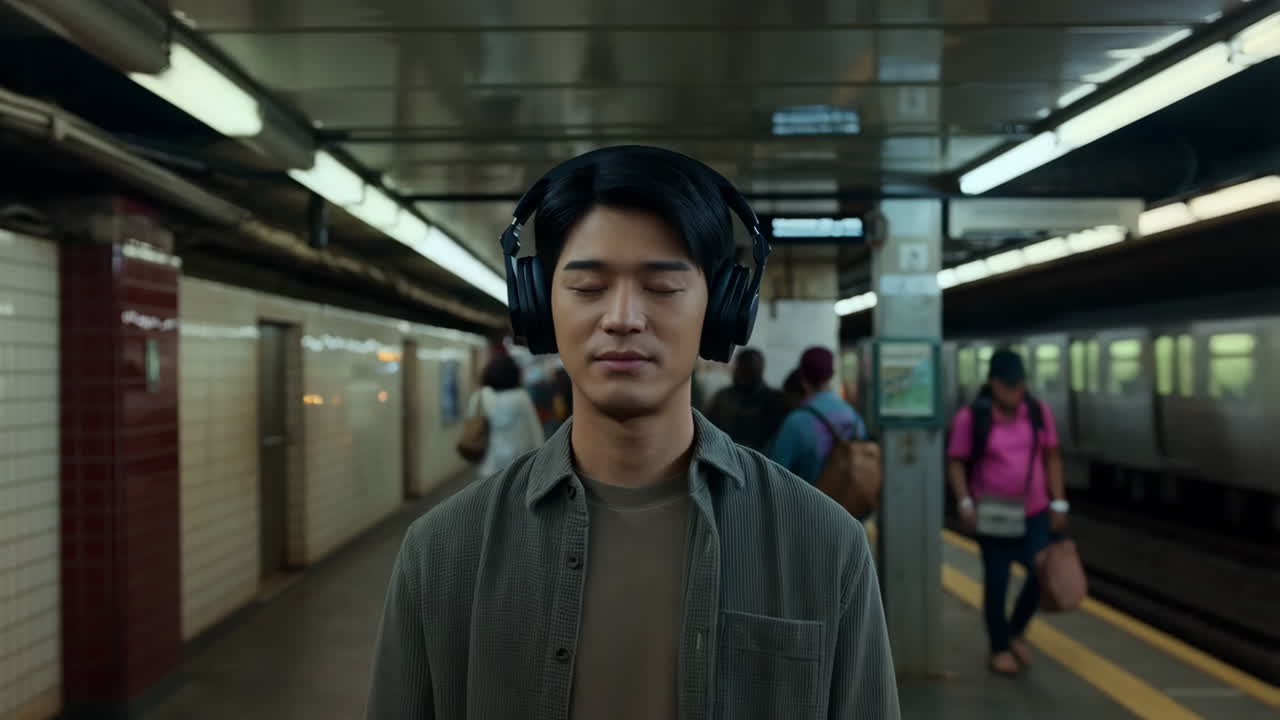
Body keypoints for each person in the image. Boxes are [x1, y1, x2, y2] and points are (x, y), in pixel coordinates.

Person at [366, 146, 899, 719]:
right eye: (588, 287)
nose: (622, 317)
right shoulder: (443, 554)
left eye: (663, 289)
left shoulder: (824, 545)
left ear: (720, 311)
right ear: (540, 307)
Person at [945, 348, 1069, 676]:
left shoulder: (1038, 412)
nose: (1013, 393)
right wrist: (964, 502)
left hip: (1034, 509)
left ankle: (1016, 630)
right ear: (992, 383)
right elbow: (956, 462)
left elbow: (1052, 456)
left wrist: (1059, 501)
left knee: (1042, 573)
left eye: (1019, 386)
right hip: (994, 513)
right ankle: (999, 647)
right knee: (997, 581)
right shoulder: (972, 417)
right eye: (1006, 386)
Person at [769, 347, 868, 486]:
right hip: (848, 505)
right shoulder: (854, 417)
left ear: (802, 378)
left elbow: (773, 474)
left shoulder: (796, 422)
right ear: (832, 375)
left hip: (806, 505)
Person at [467, 354, 546, 480]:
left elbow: (472, 423)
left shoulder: (479, 397)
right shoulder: (521, 397)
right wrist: (541, 458)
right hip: (517, 466)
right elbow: (534, 430)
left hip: (488, 465)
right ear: (513, 374)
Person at [703, 347, 786, 452]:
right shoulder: (723, 397)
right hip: (723, 455)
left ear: (760, 369)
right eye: (741, 367)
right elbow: (707, 431)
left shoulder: (775, 400)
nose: (741, 372)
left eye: (749, 368)